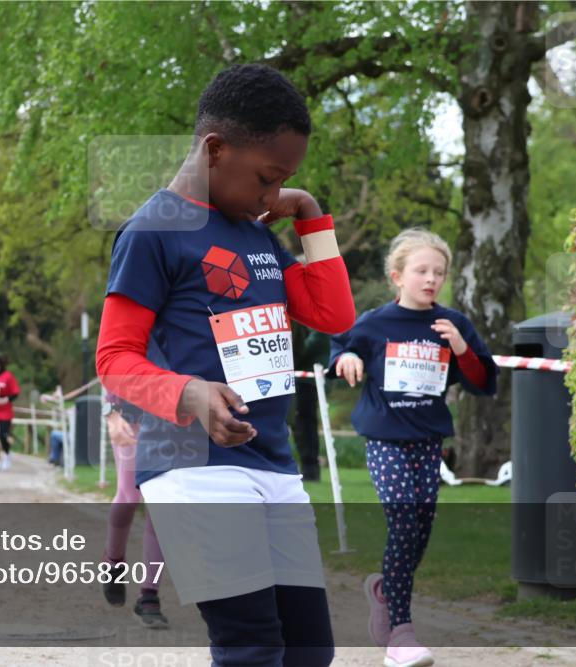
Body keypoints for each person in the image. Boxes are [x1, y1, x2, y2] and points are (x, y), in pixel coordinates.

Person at [95, 64, 356, 667]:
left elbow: (333, 312)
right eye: (268, 178)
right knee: (251, 647)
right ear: (215, 150)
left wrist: (309, 211)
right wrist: (189, 394)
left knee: (311, 650)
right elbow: (115, 360)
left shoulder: (255, 231)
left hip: (272, 462)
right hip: (197, 468)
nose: (272, 197)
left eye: (284, 181)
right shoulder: (153, 231)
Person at [329, 228, 497, 667]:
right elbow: (340, 346)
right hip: (386, 439)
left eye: (438, 272)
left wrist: (461, 349)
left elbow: (483, 381)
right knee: (404, 522)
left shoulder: (453, 324)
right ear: (397, 276)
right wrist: (345, 358)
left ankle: (385, 590)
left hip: (428, 441)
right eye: (421, 270)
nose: (431, 279)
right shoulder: (375, 323)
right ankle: (401, 631)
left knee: (419, 531)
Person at [101, 394, 168, 629]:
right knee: (129, 496)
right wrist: (112, 411)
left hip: (168, 416)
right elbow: (109, 362)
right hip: (130, 412)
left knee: (159, 503)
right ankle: (113, 563)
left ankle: (149, 595)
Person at [290, 325, 330, 481]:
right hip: (302, 382)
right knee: (302, 426)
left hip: (306, 384)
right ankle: (307, 469)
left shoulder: (319, 330)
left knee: (305, 426)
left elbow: (302, 352)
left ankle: (310, 470)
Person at [0, 353, 20, 471]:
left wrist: (6, 400)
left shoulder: (8, 376)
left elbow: (15, 392)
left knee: (3, 435)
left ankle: (6, 455)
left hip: (5, 411)